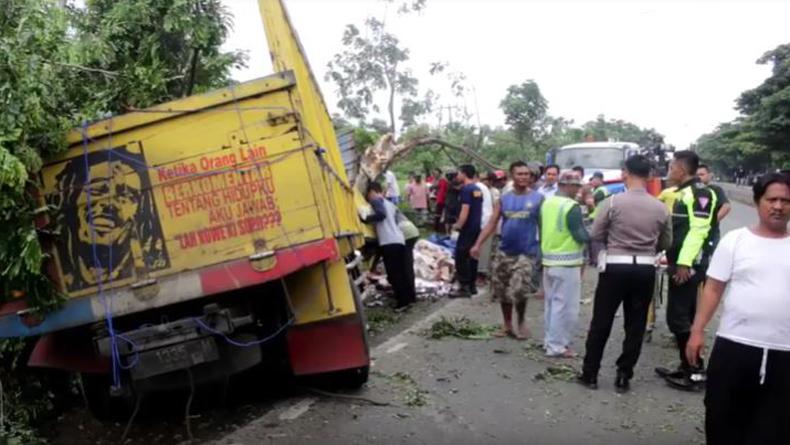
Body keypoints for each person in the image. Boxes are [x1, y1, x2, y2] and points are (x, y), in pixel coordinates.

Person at [686, 173, 790, 445]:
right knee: (722, 421)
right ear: (758, 202)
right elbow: (713, 288)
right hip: (735, 347)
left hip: (785, 354)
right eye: (772, 199)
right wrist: (697, 331)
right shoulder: (735, 240)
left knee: (775, 430)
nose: (778, 206)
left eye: (785, 201)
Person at [578, 155, 671, 392]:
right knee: (636, 324)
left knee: (601, 321)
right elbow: (666, 242)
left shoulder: (612, 203)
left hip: (615, 267)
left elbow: (596, 234)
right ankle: (623, 375)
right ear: (649, 176)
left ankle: (590, 374)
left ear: (625, 173)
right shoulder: (660, 207)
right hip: (645, 268)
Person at [50, 147, 170, 293]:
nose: (112, 204)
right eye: (98, 189)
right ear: (69, 200)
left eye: (128, 196)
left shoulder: (153, 260)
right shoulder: (63, 277)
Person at [655, 150, 717, 391]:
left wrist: (684, 263)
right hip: (680, 262)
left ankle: (694, 371)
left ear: (681, 168)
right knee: (687, 316)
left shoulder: (700, 193)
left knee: (677, 318)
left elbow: (699, 231)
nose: (669, 172)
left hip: (688, 265)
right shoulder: (682, 194)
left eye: (671, 167)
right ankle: (688, 366)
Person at [472, 162, 543, 340]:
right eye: (520, 174)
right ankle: (507, 325)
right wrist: (477, 244)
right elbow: (492, 223)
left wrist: (545, 251)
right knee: (502, 290)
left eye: (526, 174)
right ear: (512, 176)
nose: (524, 177)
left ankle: (520, 322)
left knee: (519, 289)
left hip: (526, 252)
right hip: (504, 251)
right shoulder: (504, 199)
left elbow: (544, 227)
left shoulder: (538, 199)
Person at [540, 171, 589, 357]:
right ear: (567, 186)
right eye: (576, 186)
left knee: (551, 304)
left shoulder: (547, 202)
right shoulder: (571, 206)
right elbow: (580, 234)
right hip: (567, 262)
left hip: (549, 259)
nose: (578, 190)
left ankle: (549, 341)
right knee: (566, 306)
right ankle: (557, 346)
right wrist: (594, 233)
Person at [362, 182, 415, 308]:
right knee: (401, 272)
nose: (368, 198)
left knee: (394, 274)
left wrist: (364, 219)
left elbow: (381, 215)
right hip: (399, 240)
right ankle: (408, 299)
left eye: (368, 194)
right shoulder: (390, 204)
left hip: (389, 242)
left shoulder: (376, 201)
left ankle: (402, 303)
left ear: (373, 192)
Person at [451, 164, 484, 298]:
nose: (457, 176)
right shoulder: (477, 189)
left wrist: (458, 225)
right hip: (476, 227)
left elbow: (465, 209)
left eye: (459, 173)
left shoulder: (466, 190)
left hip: (467, 228)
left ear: (464, 174)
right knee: (472, 256)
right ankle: (472, 286)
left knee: (461, 256)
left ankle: (464, 287)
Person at [697, 164, 731, 250]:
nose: (699, 177)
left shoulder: (715, 190)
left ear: (709, 175)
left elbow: (726, 207)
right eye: (696, 175)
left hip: (711, 233)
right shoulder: (690, 190)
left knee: (710, 257)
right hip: (692, 232)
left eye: (702, 174)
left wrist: (712, 221)